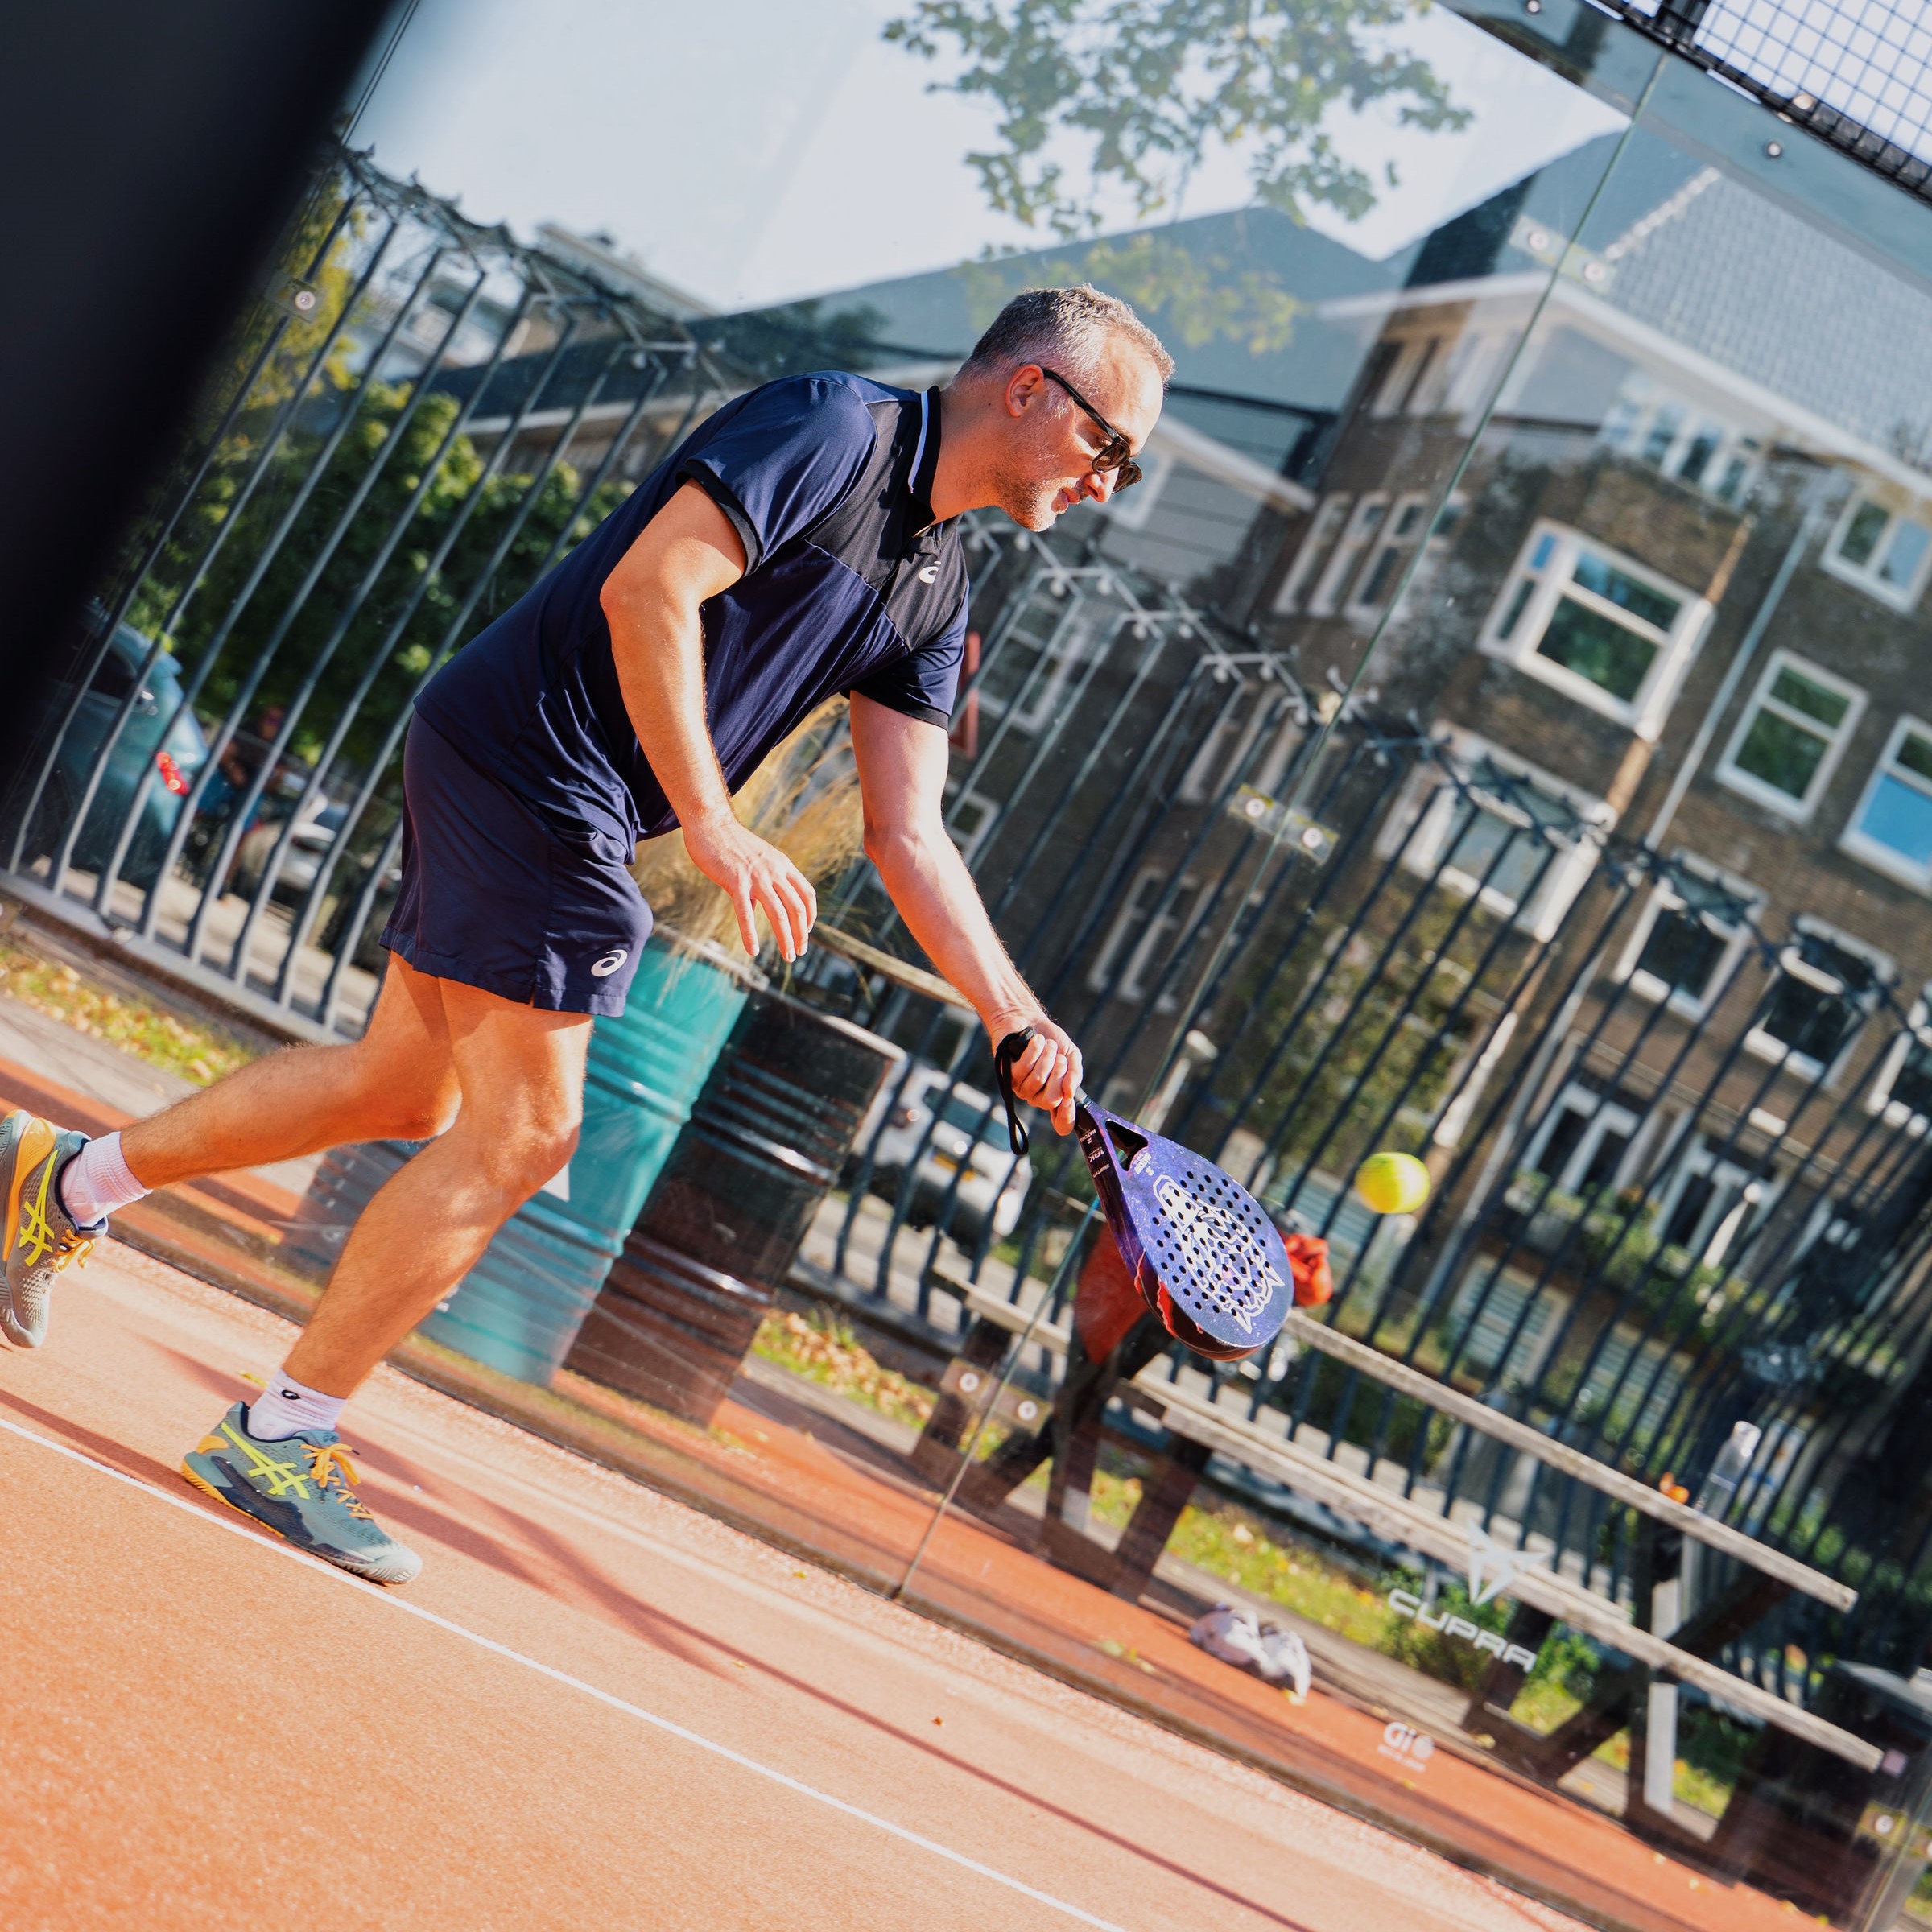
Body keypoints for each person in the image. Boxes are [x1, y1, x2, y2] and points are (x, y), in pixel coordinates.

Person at [0, 285, 1171, 1583]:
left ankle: (60, 1183)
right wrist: (713, 823)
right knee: (529, 1133)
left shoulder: (937, 584)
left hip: (526, 770)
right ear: (1029, 389)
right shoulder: (835, 428)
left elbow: (909, 831)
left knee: (401, 1090)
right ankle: (280, 1434)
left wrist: (1015, 1013)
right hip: (541, 762)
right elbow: (650, 588)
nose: (1109, 483)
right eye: (1110, 445)